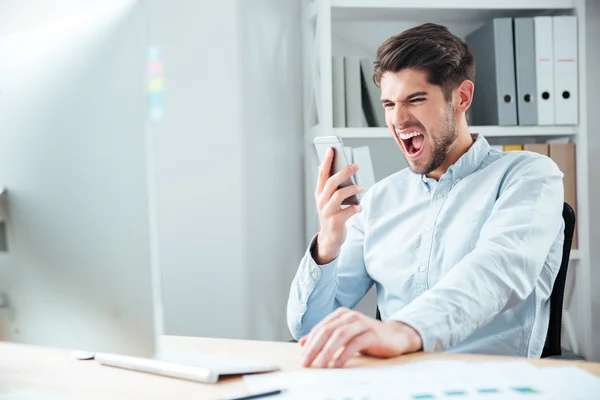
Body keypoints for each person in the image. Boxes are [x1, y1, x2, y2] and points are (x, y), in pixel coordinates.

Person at [287, 23, 565, 369]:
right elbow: (309, 327)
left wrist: (403, 331)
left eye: (415, 100)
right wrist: (327, 245)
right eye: (389, 104)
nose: (398, 119)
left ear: (461, 97)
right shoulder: (379, 200)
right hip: (391, 384)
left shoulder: (529, 175)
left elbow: (497, 272)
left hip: (487, 386)